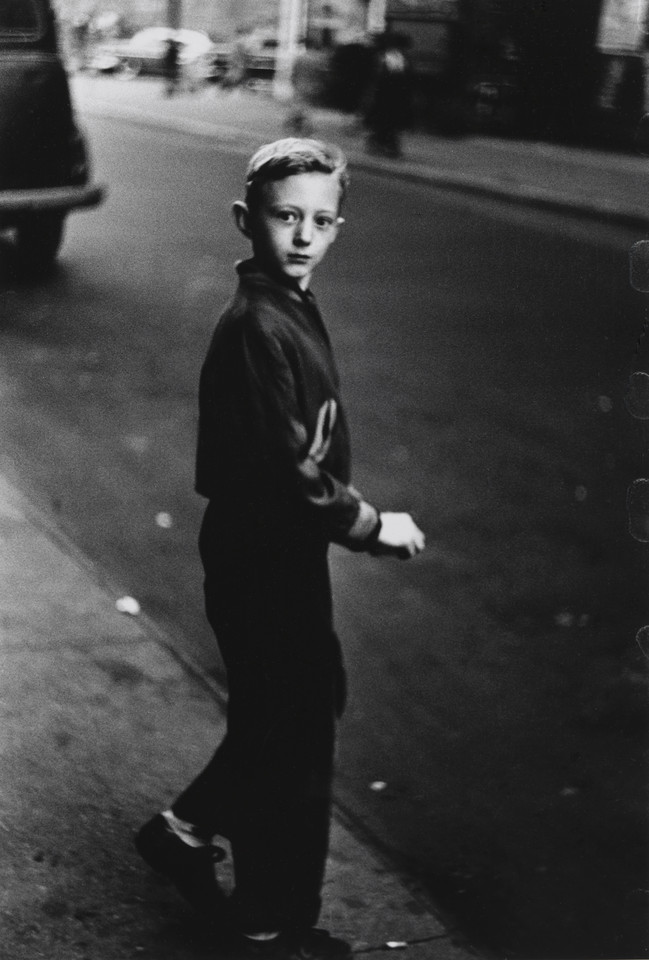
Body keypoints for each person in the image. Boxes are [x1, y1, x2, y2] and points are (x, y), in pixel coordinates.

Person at [134, 138, 425, 960]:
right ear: (245, 220)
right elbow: (285, 467)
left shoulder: (285, 302)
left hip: (275, 550)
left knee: (294, 711)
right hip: (263, 552)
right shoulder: (259, 322)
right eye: (284, 216)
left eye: (321, 221)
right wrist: (370, 524)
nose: (303, 235)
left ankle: (186, 835)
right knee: (291, 735)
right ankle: (267, 922)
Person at [364, 33, 413, 158]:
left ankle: (381, 144)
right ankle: (387, 146)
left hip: (391, 95)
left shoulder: (395, 57)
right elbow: (385, 78)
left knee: (388, 121)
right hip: (387, 95)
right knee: (387, 121)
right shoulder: (390, 57)